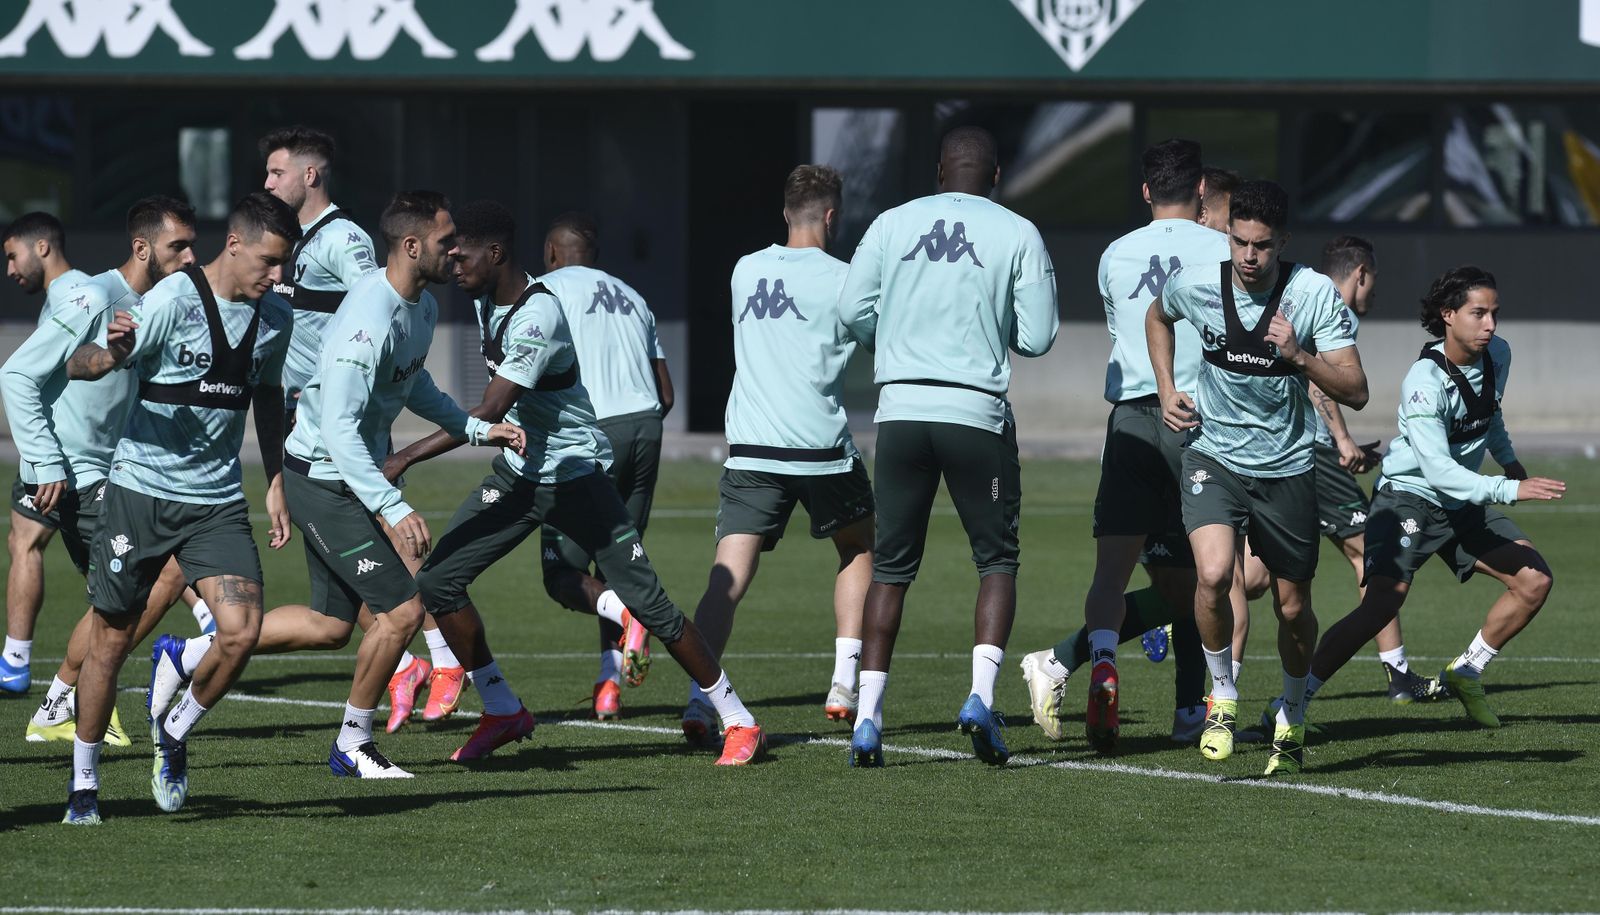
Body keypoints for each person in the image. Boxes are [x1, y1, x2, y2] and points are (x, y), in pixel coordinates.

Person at [144, 192, 524, 779]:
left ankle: (186, 655)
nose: (456, 252)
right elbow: (340, 432)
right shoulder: (367, 321)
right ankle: (353, 744)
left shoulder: (418, 307)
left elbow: (410, 383)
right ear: (412, 246)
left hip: (343, 477)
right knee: (401, 612)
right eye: (447, 242)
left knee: (330, 628)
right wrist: (393, 507)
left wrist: (474, 428)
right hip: (324, 480)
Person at [384, 200, 767, 766]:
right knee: (439, 581)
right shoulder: (487, 300)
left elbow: (490, 411)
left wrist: (404, 458)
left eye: (460, 254)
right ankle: (502, 709)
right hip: (519, 475)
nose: (453, 263)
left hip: (575, 478)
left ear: (495, 254)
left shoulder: (539, 316)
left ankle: (738, 719)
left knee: (653, 607)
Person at [58, 191, 300, 825]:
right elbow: (77, 364)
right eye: (270, 262)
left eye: (285, 266)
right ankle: (85, 786)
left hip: (216, 503)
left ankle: (174, 732)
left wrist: (275, 477)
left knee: (241, 633)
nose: (277, 278)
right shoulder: (169, 301)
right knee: (110, 644)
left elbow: (268, 398)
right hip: (139, 495)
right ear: (237, 244)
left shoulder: (275, 318)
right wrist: (111, 353)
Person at [839, 126, 1059, 767]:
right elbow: (1040, 336)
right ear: (995, 177)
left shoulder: (890, 222)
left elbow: (853, 309)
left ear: (940, 172)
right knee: (995, 561)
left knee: (890, 569)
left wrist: (898, 341)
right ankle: (979, 701)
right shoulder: (1017, 231)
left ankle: (868, 719)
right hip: (975, 416)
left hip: (902, 414)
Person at [1147, 178, 1367, 775]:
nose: (1248, 257)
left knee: (1293, 608)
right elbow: (1157, 315)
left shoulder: (1314, 295)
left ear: (1283, 242)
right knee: (1215, 574)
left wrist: (1300, 356)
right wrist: (1167, 388)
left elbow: (1358, 390)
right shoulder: (1196, 283)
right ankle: (1221, 697)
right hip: (1213, 456)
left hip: (1289, 468)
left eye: (1262, 246)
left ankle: (1292, 710)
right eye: (1240, 242)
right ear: (1229, 236)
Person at [1018, 139, 1222, 752]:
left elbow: (1122, 328)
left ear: (1145, 193)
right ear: (1203, 192)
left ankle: (1095, 664)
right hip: (1201, 422)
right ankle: (1207, 705)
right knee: (1214, 575)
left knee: (1146, 578)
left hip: (1132, 420)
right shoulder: (1222, 250)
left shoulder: (1115, 254)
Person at [1304, 266, 1563, 734]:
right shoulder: (1424, 382)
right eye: (1478, 314)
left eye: (1495, 314)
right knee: (1381, 605)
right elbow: (1439, 470)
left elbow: (1490, 416)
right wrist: (1511, 489)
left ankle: (1466, 671)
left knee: (1534, 581)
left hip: (1460, 503)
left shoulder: (1498, 354)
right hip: (1408, 499)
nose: (1490, 325)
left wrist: (1509, 461)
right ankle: (1290, 703)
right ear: (1448, 315)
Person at [261, 124, 459, 730]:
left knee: (379, 580)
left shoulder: (343, 240)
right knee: (376, 587)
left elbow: (375, 316)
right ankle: (428, 668)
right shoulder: (290, 243)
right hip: (312, 428)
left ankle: (439, 665)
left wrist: (467, 426)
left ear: (310, 176)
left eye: (276, 173)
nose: (267, 183)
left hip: (339, 423)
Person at [684, 164, 873, 742]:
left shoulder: (745, 270)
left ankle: (699, 699)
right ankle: (844, 680)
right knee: (859, 547)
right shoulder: (847, 278)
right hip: (819, 449)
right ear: (832, 216)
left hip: (751, 449)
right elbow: (871, 337)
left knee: (728, 578)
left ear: (785, 212)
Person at [2, 197, 199, 745]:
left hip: (108, 473)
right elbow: (18, 375)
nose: (189, 258)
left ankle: (65, 700)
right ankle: (67, 698)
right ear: (142, 249)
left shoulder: (154, 304)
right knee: (154, 581)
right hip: (81, 478)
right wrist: (43, 461)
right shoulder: (92, 294)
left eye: (191, 246)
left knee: (119, 598)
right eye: (177, 247)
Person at [534, 212, 673, 720]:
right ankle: (607, 685)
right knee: (616, 564)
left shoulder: (544, 291)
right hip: (647, 427)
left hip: (592, 435)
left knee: (560, 570)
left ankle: (631, 621)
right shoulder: (632, 296)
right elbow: (666, 393)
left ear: (551, 253)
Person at [1, 212, 91, 695]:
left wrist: (49, 455)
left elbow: (19, 376)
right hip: (57, 454)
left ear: (41, 248)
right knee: (24, 540)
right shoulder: (66, 297)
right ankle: (14, 662)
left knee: (135, 569)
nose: (10, 269)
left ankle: (209, 617)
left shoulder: (78, 295)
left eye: (12, 256)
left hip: (69, 457)